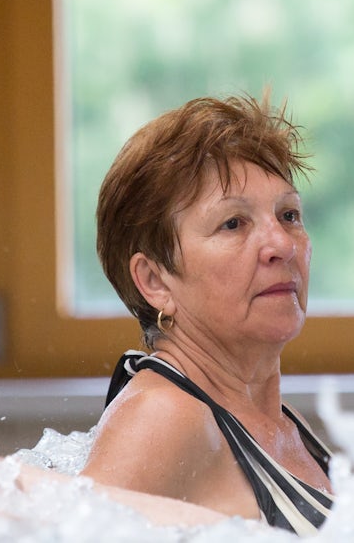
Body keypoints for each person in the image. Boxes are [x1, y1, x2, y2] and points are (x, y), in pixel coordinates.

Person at [81, 93, 334, 536]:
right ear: (155, 282)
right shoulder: (162, 417)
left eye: (289, 215)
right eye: (233, 223)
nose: (282, 244)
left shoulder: (283, 424)